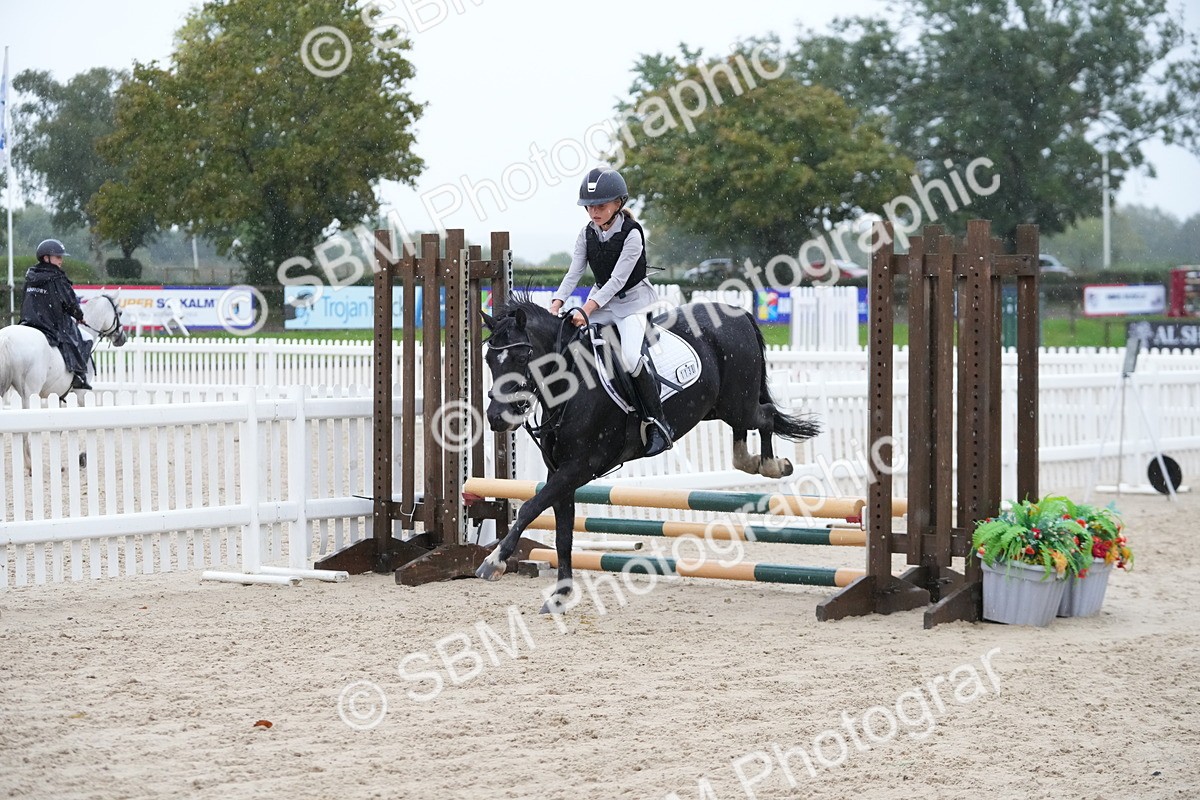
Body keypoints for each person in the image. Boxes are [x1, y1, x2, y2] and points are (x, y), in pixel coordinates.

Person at [550, 166, 673, 456]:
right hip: (603, 304)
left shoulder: (632, 234)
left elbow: (617, 280)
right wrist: (556, 303)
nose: (594, 212)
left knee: (630, 356)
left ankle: (658, 423)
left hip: (633, 304)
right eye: (589, 207)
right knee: (570, 341)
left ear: (618, 203)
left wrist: (587, 309)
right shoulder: (586, 234)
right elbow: (574, 272)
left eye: (601, 206)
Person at [20, 238, 92, 390]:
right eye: (58, 257)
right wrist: (79, 316)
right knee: (84, 339)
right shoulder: (58, 278)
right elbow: (70, 303)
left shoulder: (30, 277)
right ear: (46, 258)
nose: (61, 260)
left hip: (28, 322)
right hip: (51, 325)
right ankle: (79, 375)